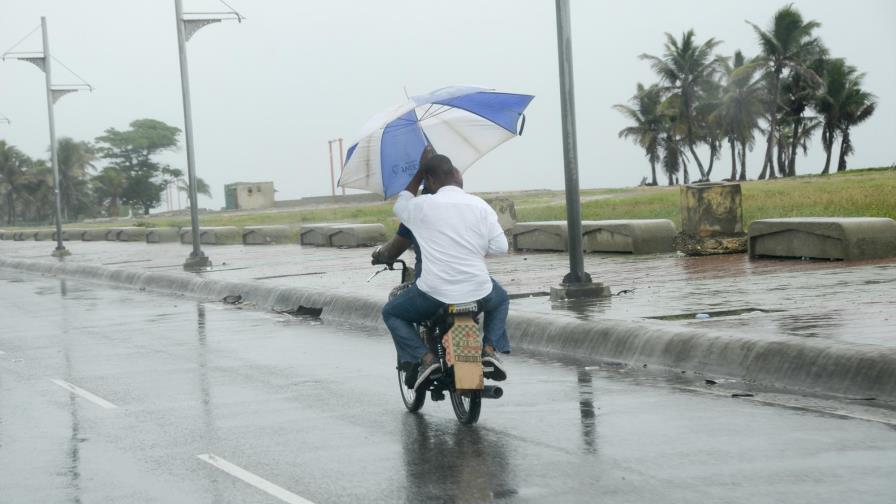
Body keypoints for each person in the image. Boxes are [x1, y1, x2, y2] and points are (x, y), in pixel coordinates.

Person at [381, 148, 510, 390]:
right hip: (478, 290)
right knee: (501, 299)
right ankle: (489, 349)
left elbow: (401, 205)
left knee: (391, 313)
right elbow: (501, 247)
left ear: (430, 180)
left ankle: (426, 359)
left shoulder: (421, 206)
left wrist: (419, 171)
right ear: (455, 175)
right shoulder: (479, 205)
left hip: (435, 293)